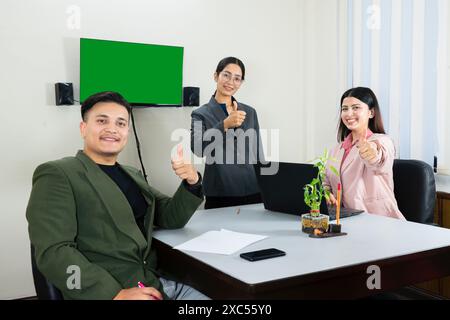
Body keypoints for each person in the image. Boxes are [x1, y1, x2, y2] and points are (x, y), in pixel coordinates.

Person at [26, 91, 209, 300]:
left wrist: (192, 181)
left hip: (156, 284)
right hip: (111, 292)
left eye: (121, 123)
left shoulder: (133, 175)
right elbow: (54, 254)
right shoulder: (58, 173)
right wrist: (114, 295)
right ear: (83, 128)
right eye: (102, 121)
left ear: (127, 132)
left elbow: (170, 217)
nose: (112, 129)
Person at [191, 57, 264, 209]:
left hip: (253, 191)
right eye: (226, 75)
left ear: (241, 83)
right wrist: (225, 124)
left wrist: (267, 187)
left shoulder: (250, 112)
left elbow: (258, 155)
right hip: (220, 194)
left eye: (237, 78)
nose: (231, 82)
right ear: (216, 76)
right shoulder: (200, 114)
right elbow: (197, 148)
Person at [324, 87, 404, 220]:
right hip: (343, 219)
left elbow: (379, 159)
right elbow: (326, 181)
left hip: (377, 220)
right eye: (345, 109)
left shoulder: (383, 141)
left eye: (356, 108)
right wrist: (326, 193)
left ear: (371, 112)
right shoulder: (336, 150)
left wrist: (371, 151)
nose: (349, 114)